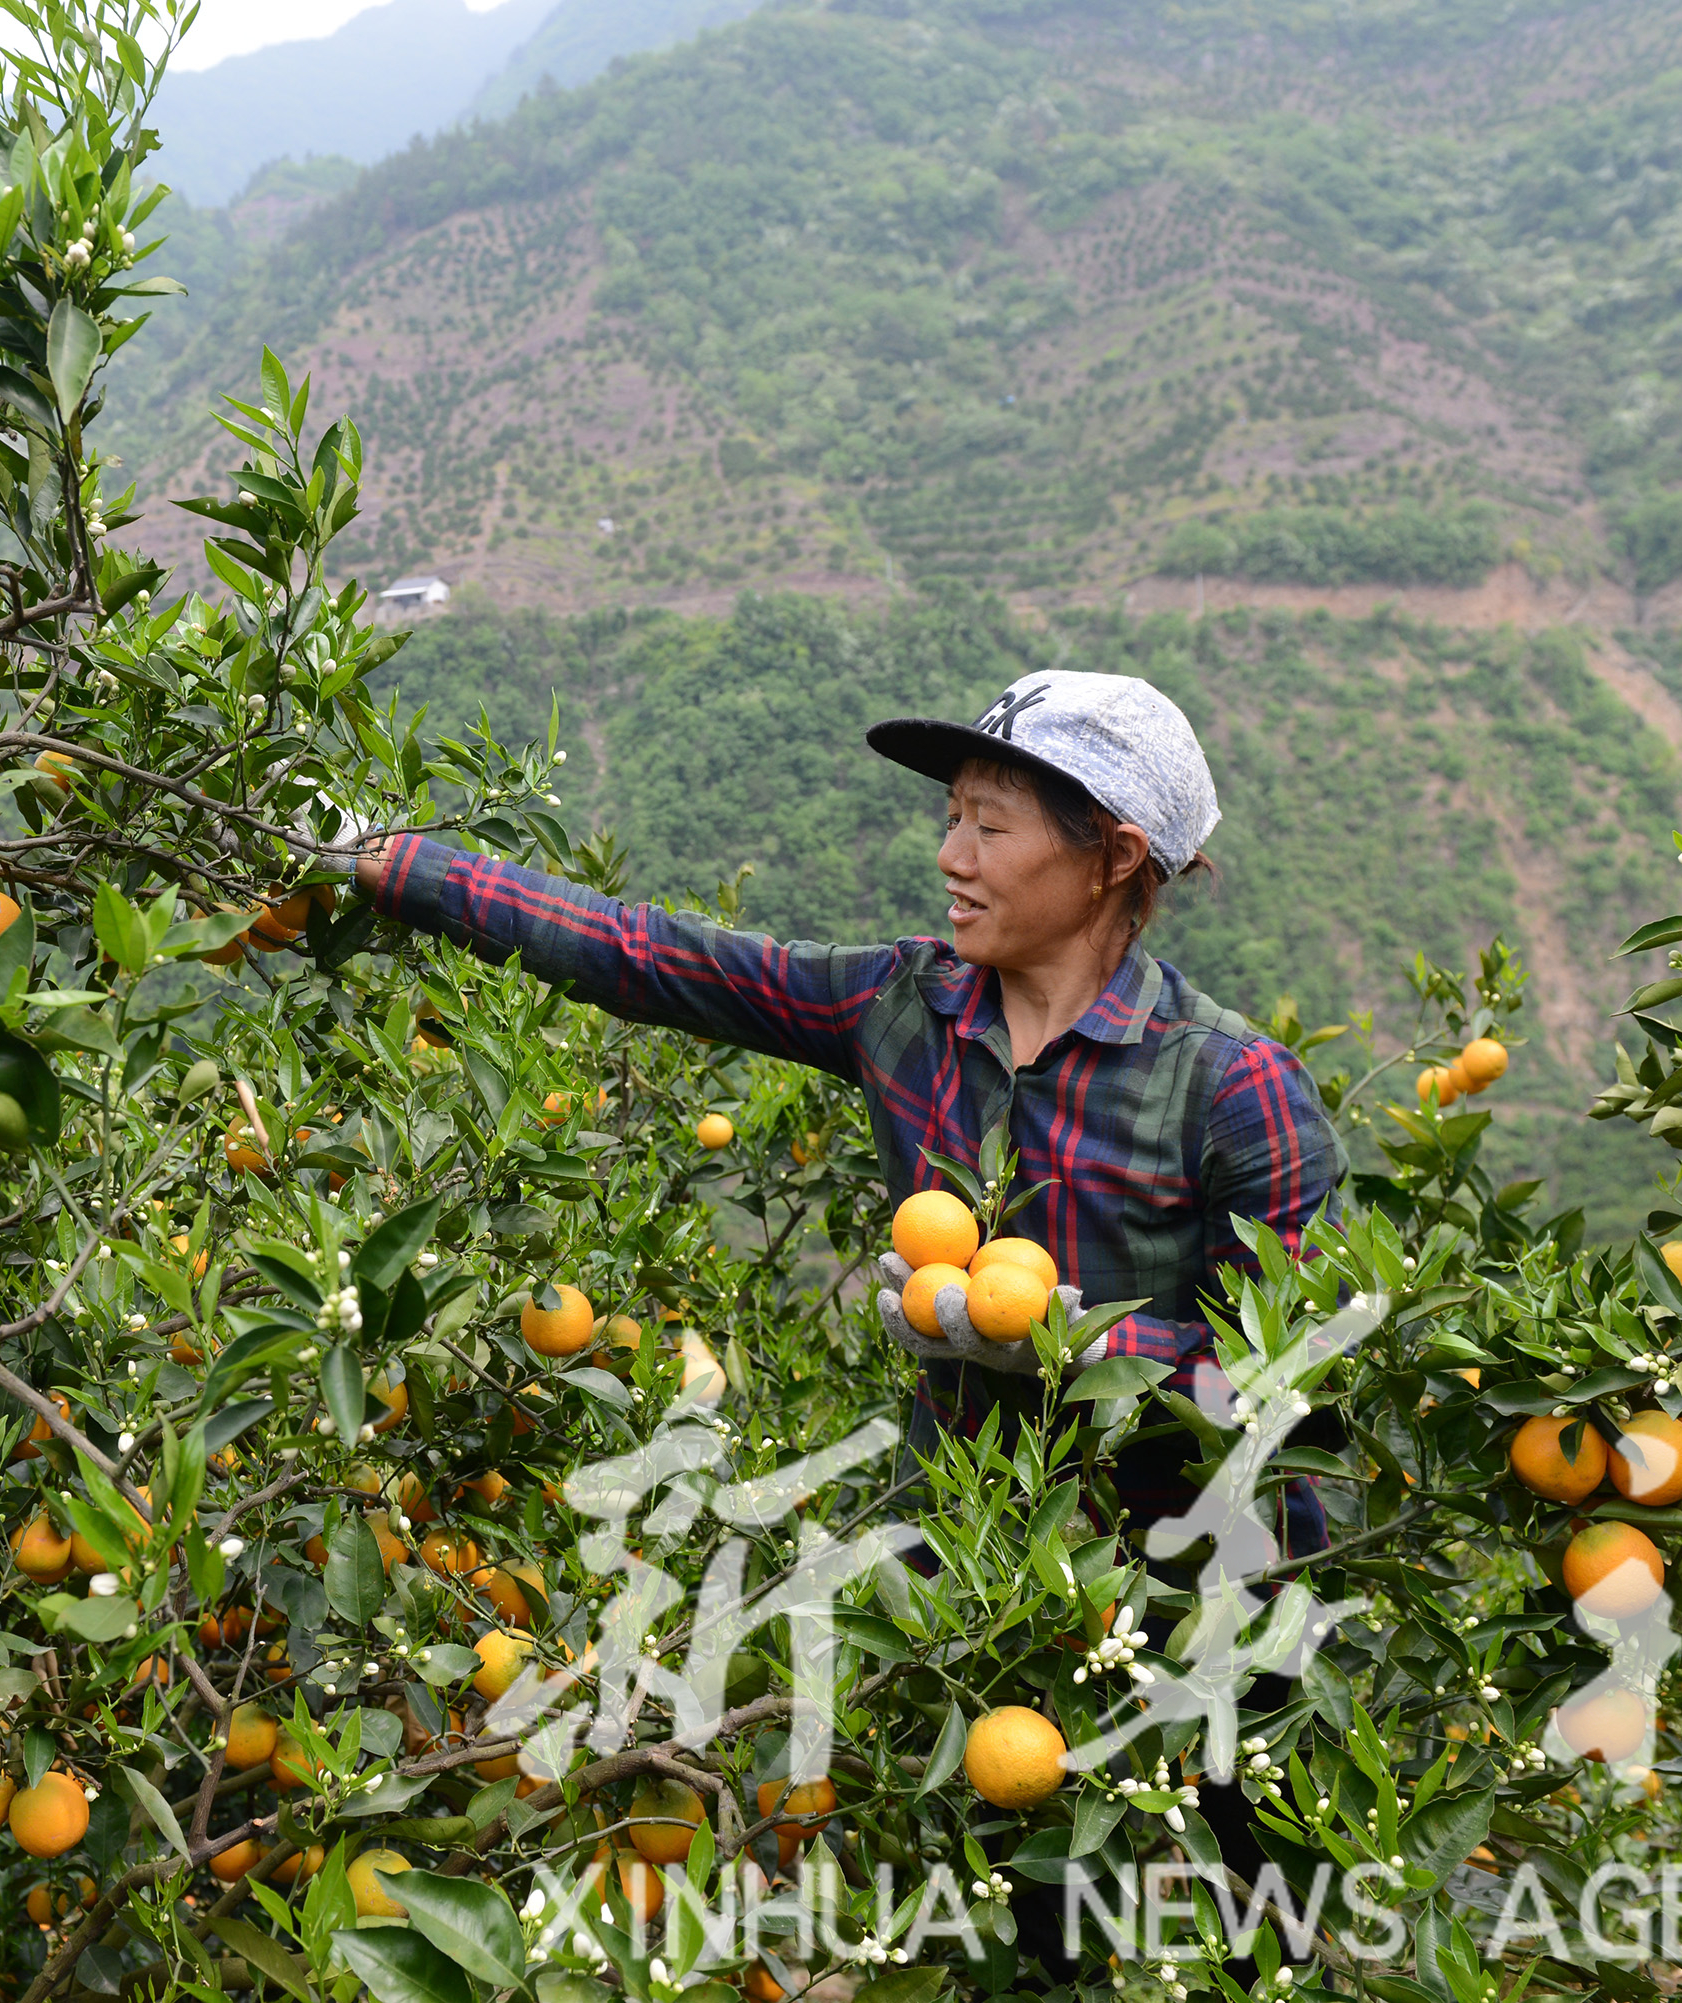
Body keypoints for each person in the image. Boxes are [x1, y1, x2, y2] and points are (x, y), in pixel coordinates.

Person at [350, 668, 1343, 1964]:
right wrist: (396, 867)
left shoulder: (1230, 1090)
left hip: (1205, 1611)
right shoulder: (901, 1009)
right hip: (976, 1607)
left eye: (992, 824)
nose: (952, 856)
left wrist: (1066, 1341)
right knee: (1012, 1945)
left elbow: (1300, 1385)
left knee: (1263, 1935)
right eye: (954, 818)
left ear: (1113, 856)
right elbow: (659, 959)